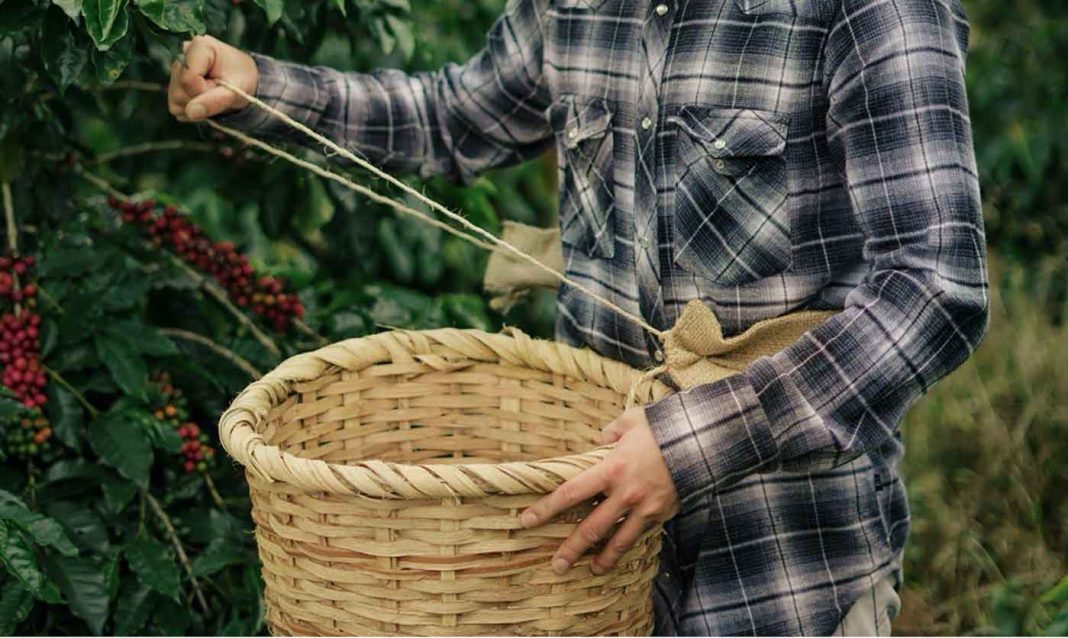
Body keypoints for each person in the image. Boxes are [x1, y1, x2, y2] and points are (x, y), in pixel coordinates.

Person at [168, 0, 988, 634]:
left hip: (786, 566)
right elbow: (456, 117)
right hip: (579, 565)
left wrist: (691, 444)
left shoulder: (869, 9)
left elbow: (935, 288)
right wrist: (266, 89)